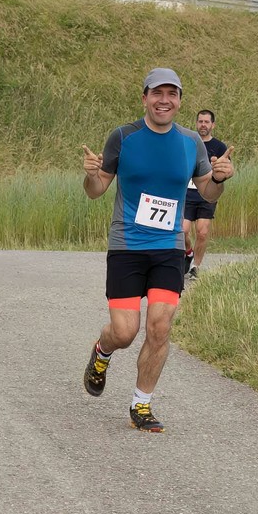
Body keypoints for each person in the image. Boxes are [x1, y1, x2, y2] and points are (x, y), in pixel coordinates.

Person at [81, 68, 235, 431]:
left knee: (160, 327)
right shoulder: (123, 137)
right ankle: (102, 351)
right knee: (124, 332)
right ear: (145, 98)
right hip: (127, 247)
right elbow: (96, 190)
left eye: (172, 94)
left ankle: (141, 404)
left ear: (179, 101)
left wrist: (218, 178)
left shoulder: (190, 142)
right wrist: (90, 174)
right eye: (157, 93)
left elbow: (207, 192)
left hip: (168, 248)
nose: (164, 100)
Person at [182, 107, 231, 284]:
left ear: (213, 125)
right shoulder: (188, 143)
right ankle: (188, 253)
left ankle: (195, 266)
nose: (203, 125)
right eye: (200, 121)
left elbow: (225, 172)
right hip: (187, 193)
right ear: (196, 123)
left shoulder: (219, 147)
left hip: (207, 194)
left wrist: (221, 172)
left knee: (202, 232)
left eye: (206, 122)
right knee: (182, 231)